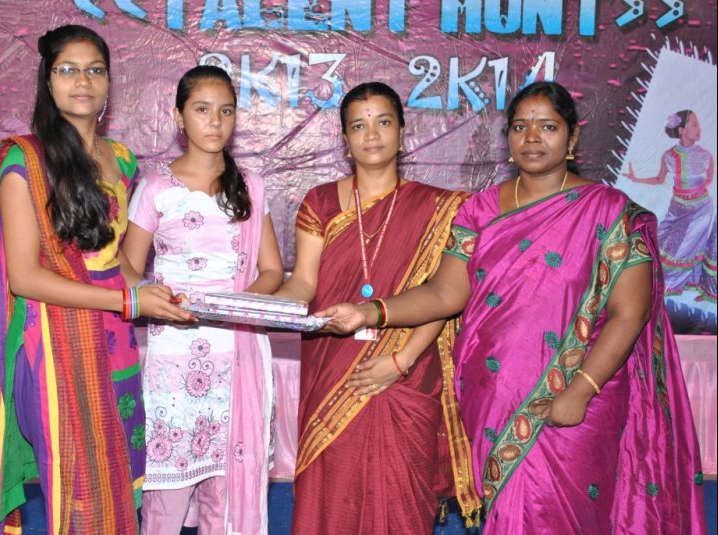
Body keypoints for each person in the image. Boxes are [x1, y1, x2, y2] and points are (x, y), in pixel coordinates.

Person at [321, 81, 706, 533]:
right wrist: (371, 312)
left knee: (560, 516)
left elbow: (630, 313)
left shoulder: (611, 212)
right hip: (492, 396)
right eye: (520, 127)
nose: (532, 137)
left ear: (572, 138)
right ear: (507, 139)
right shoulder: (479, 211)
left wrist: (582, 389)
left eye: (548, 127)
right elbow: (444, 293)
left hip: (577, 395)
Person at [0, 25, 191, 534]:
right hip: (54, 342)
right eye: (67, 70)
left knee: (117, 475)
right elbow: (25, 278)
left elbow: (118, 262)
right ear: (47, 81)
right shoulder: (25, 160)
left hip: (116, 339)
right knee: (78, 483)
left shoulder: (122, 158)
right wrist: (129, 303)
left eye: (95, 70)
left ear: (110, 82)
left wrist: (157, 293)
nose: (82, 81)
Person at [274, 82, 481, 533]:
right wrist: (262, 308)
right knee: (333, 497)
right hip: (332, 367)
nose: (372, 135)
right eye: (358, 126)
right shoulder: (320, 202)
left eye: (383, 122)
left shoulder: (442, 208)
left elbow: (442, 297)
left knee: (400, 501)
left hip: (406, 371)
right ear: (344, 140)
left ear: (402, 132)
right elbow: (304, 282)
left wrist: (400, 362)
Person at [121, 65, 283, 535]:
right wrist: (150, 295)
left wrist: (235, 307)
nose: (215, 121)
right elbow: (127, 266)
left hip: (237, 355)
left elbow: (272, 270)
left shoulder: (250, 186)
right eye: (202, 110)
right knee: (166, 489)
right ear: (179, 117)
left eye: (226, 111)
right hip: (174, 357)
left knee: (226, 490)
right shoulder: (156, 188)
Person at [623, 109, 716, 303]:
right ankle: (652, 284)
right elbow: (659, 179)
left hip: (700, 209)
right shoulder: (668, 156)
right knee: (662, 242)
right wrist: (636, 179)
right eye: (695, 124)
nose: (699, 128)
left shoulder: (706, 155)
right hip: (677, 208)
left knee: (686, 248)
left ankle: (668, 287)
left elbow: (707, 180)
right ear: (681, 130)